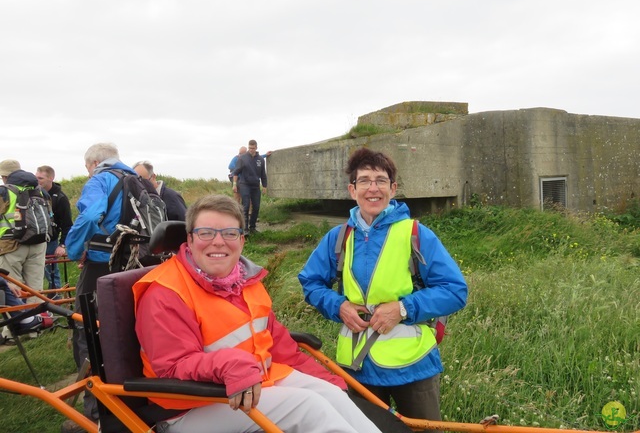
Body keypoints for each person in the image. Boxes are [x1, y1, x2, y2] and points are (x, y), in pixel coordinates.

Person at [133, 195, 385, 433]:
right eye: (206, 233)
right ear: (189, 239)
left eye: (229, 233)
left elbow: (281, 348)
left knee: (331, 394)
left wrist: (323, 378)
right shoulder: (165, 292)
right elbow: (173, 366)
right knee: (309, 406)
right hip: (190, 406)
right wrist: (231, 364)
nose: (218, 242)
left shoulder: (247, 281)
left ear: (242, 240)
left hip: (253, 384)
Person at [298, 147, 468, 431]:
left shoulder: (415, 234)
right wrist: (338, 305)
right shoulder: (338, 238)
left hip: (414, 366)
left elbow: (454, 290)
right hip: (357, 367)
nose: (372, 188)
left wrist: (402, 309)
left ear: (393, 188)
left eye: (380, 180)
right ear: (352, 190)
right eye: (364, 180)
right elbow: (311, 282)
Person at [63, 143, 138, 431]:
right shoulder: (137, 180)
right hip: (133, 265)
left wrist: (73, 247)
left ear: (94, 162)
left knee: (87, 331)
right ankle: (130, 400)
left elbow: (91, 214)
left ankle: (95, 413)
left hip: (100, 265)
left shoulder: (101, 179)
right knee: (125, 328)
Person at [0, 159, 48, 303]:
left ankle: (17, 323)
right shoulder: (41, 191)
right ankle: (39, 319)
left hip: (11, 245)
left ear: (5, 176)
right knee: (36, 287)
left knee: (12, 287)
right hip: (38, 242)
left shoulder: (4, 192)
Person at [36, 165, 73, 292]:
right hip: (35, 239)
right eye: (36, 178)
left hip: (51, 241)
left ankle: (55, 301)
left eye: (40, 178)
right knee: (34, 273)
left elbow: (67, 224)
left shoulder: (60, 199)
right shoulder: (34, 194)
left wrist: (62, 245)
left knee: (52, 274)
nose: (37, 181)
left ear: (51, 178)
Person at [232, 140, 267, 235]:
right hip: (244, 184)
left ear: (256, 148)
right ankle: (245, 229)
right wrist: (234, 184)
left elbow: (263, 174)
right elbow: (235, 172)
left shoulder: (260, 159)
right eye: (250, 148)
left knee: (256, 207)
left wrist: (264, 186)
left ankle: (252, 227)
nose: (251, 150)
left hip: (255, 185)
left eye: (253, 148)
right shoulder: (242, 158)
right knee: (246, 205)